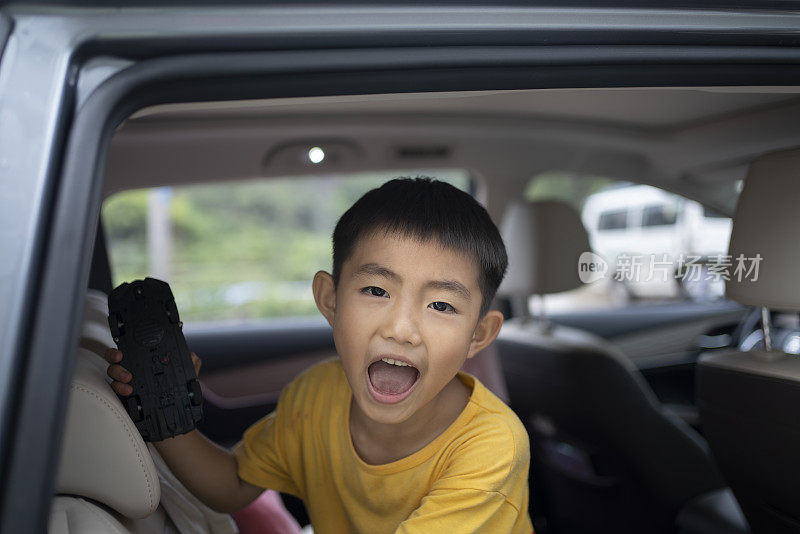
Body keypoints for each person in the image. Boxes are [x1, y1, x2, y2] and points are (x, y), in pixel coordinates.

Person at [105, 178, 533, 533]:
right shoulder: (314, 398)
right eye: (376, 291)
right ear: (330, 300)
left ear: (478, 334)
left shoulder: (491, 445)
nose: (401, 330)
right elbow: (234, 483)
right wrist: (165, 419)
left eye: (441, 305)